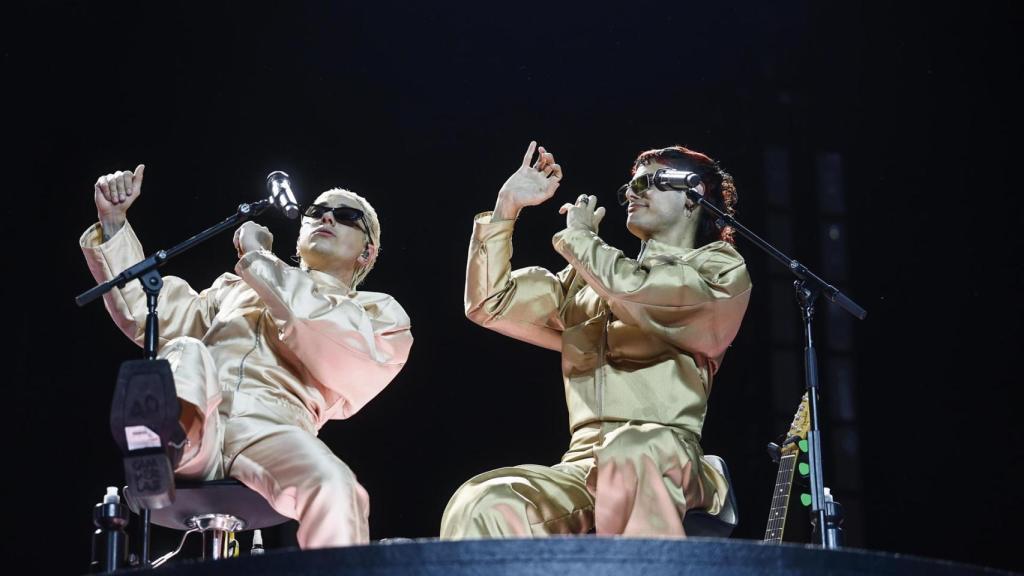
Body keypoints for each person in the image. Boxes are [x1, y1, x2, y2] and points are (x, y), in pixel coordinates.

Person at [81, 164, 413, 548]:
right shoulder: (234, 288)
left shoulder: (377, 313)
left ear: (367, 252)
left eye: (346, 216)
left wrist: (259, 260)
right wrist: (114, 222)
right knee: (183, 349)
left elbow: (320, 330)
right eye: (316, 212)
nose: (326, 216)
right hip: (200, 417)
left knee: (337, 487)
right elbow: (145, 309)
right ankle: (160, 444)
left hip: (273, 428)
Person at [441, 142, 751, 538]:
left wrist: (582, 239)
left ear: (694, 195)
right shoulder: (588, 282)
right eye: (630, 185)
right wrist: (507, 207)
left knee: (635, 448)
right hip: (583, 466)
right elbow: (488, 302)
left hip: (667, 454)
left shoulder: (718, 268)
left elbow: (640, 293)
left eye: (650, 181)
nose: (633, 192)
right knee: (484, 500)